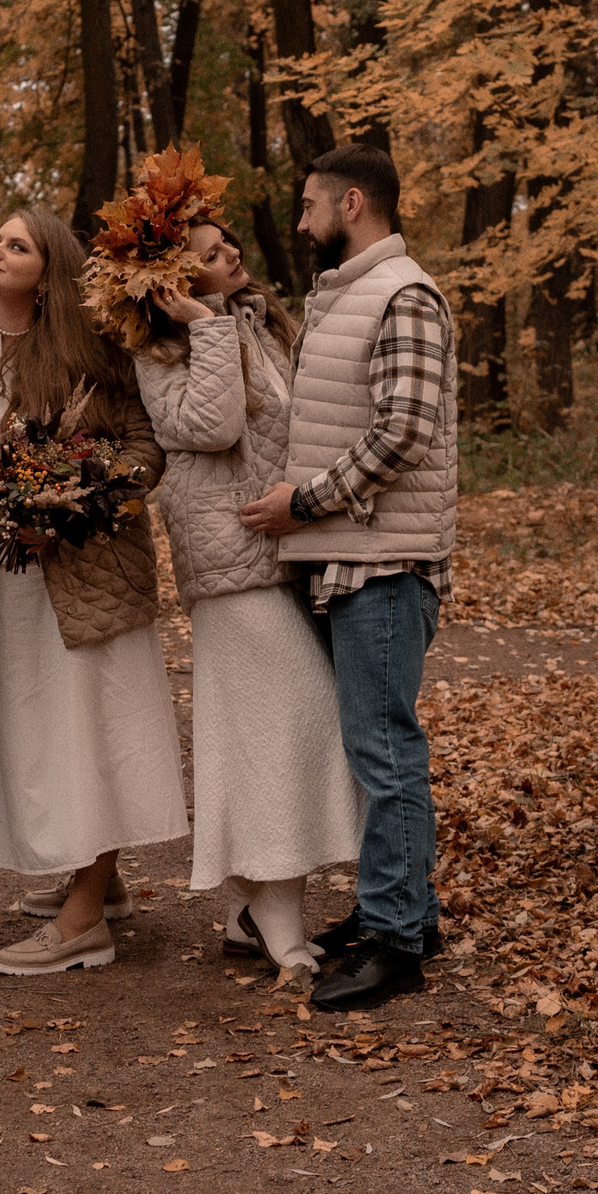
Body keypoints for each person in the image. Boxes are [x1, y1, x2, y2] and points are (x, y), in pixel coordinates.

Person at [241, 144, 458, 1013]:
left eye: (309, 206)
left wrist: (308, 502)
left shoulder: (404, 294)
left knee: (385, 748)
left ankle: (397, 939)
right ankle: (399, 910)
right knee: (373, 746)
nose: (300, 223)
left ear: (353, 203)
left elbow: (403, 429)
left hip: (385, 562)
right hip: (349, 558)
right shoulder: (345, 297)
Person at [0, 209, 186, 977]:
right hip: (3, 567)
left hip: (87, 563)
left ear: (48, 270)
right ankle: (98, 880)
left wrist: (74, 505)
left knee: (95, 721)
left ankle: (85, 917)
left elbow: (146, 448)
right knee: (39, 722)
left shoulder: (87, 347)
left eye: (18, 244)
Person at [138, 221, 363, 978]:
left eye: (230, 242)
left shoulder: (261, 325)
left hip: (281, 553)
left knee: (273, 730)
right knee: (291, 723)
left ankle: (246, 909)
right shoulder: (161, 349)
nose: (232, 252)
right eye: (209, 253)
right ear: (171, 281)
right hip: (228, 561)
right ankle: (275, 911)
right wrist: (201, 327)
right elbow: (210, 424)